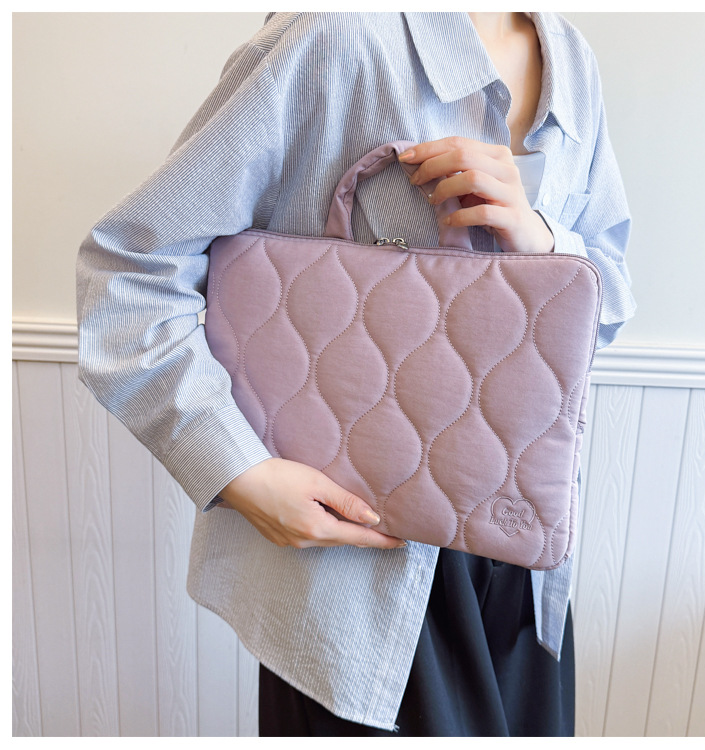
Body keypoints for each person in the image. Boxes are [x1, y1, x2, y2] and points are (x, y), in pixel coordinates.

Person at [76, 12, 635, 736]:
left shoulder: (571, 61)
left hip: (527, 570)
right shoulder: (335, 34)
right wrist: (237, 470)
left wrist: (545, 241)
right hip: (360, 573)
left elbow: (610, 302)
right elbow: (129, 272)